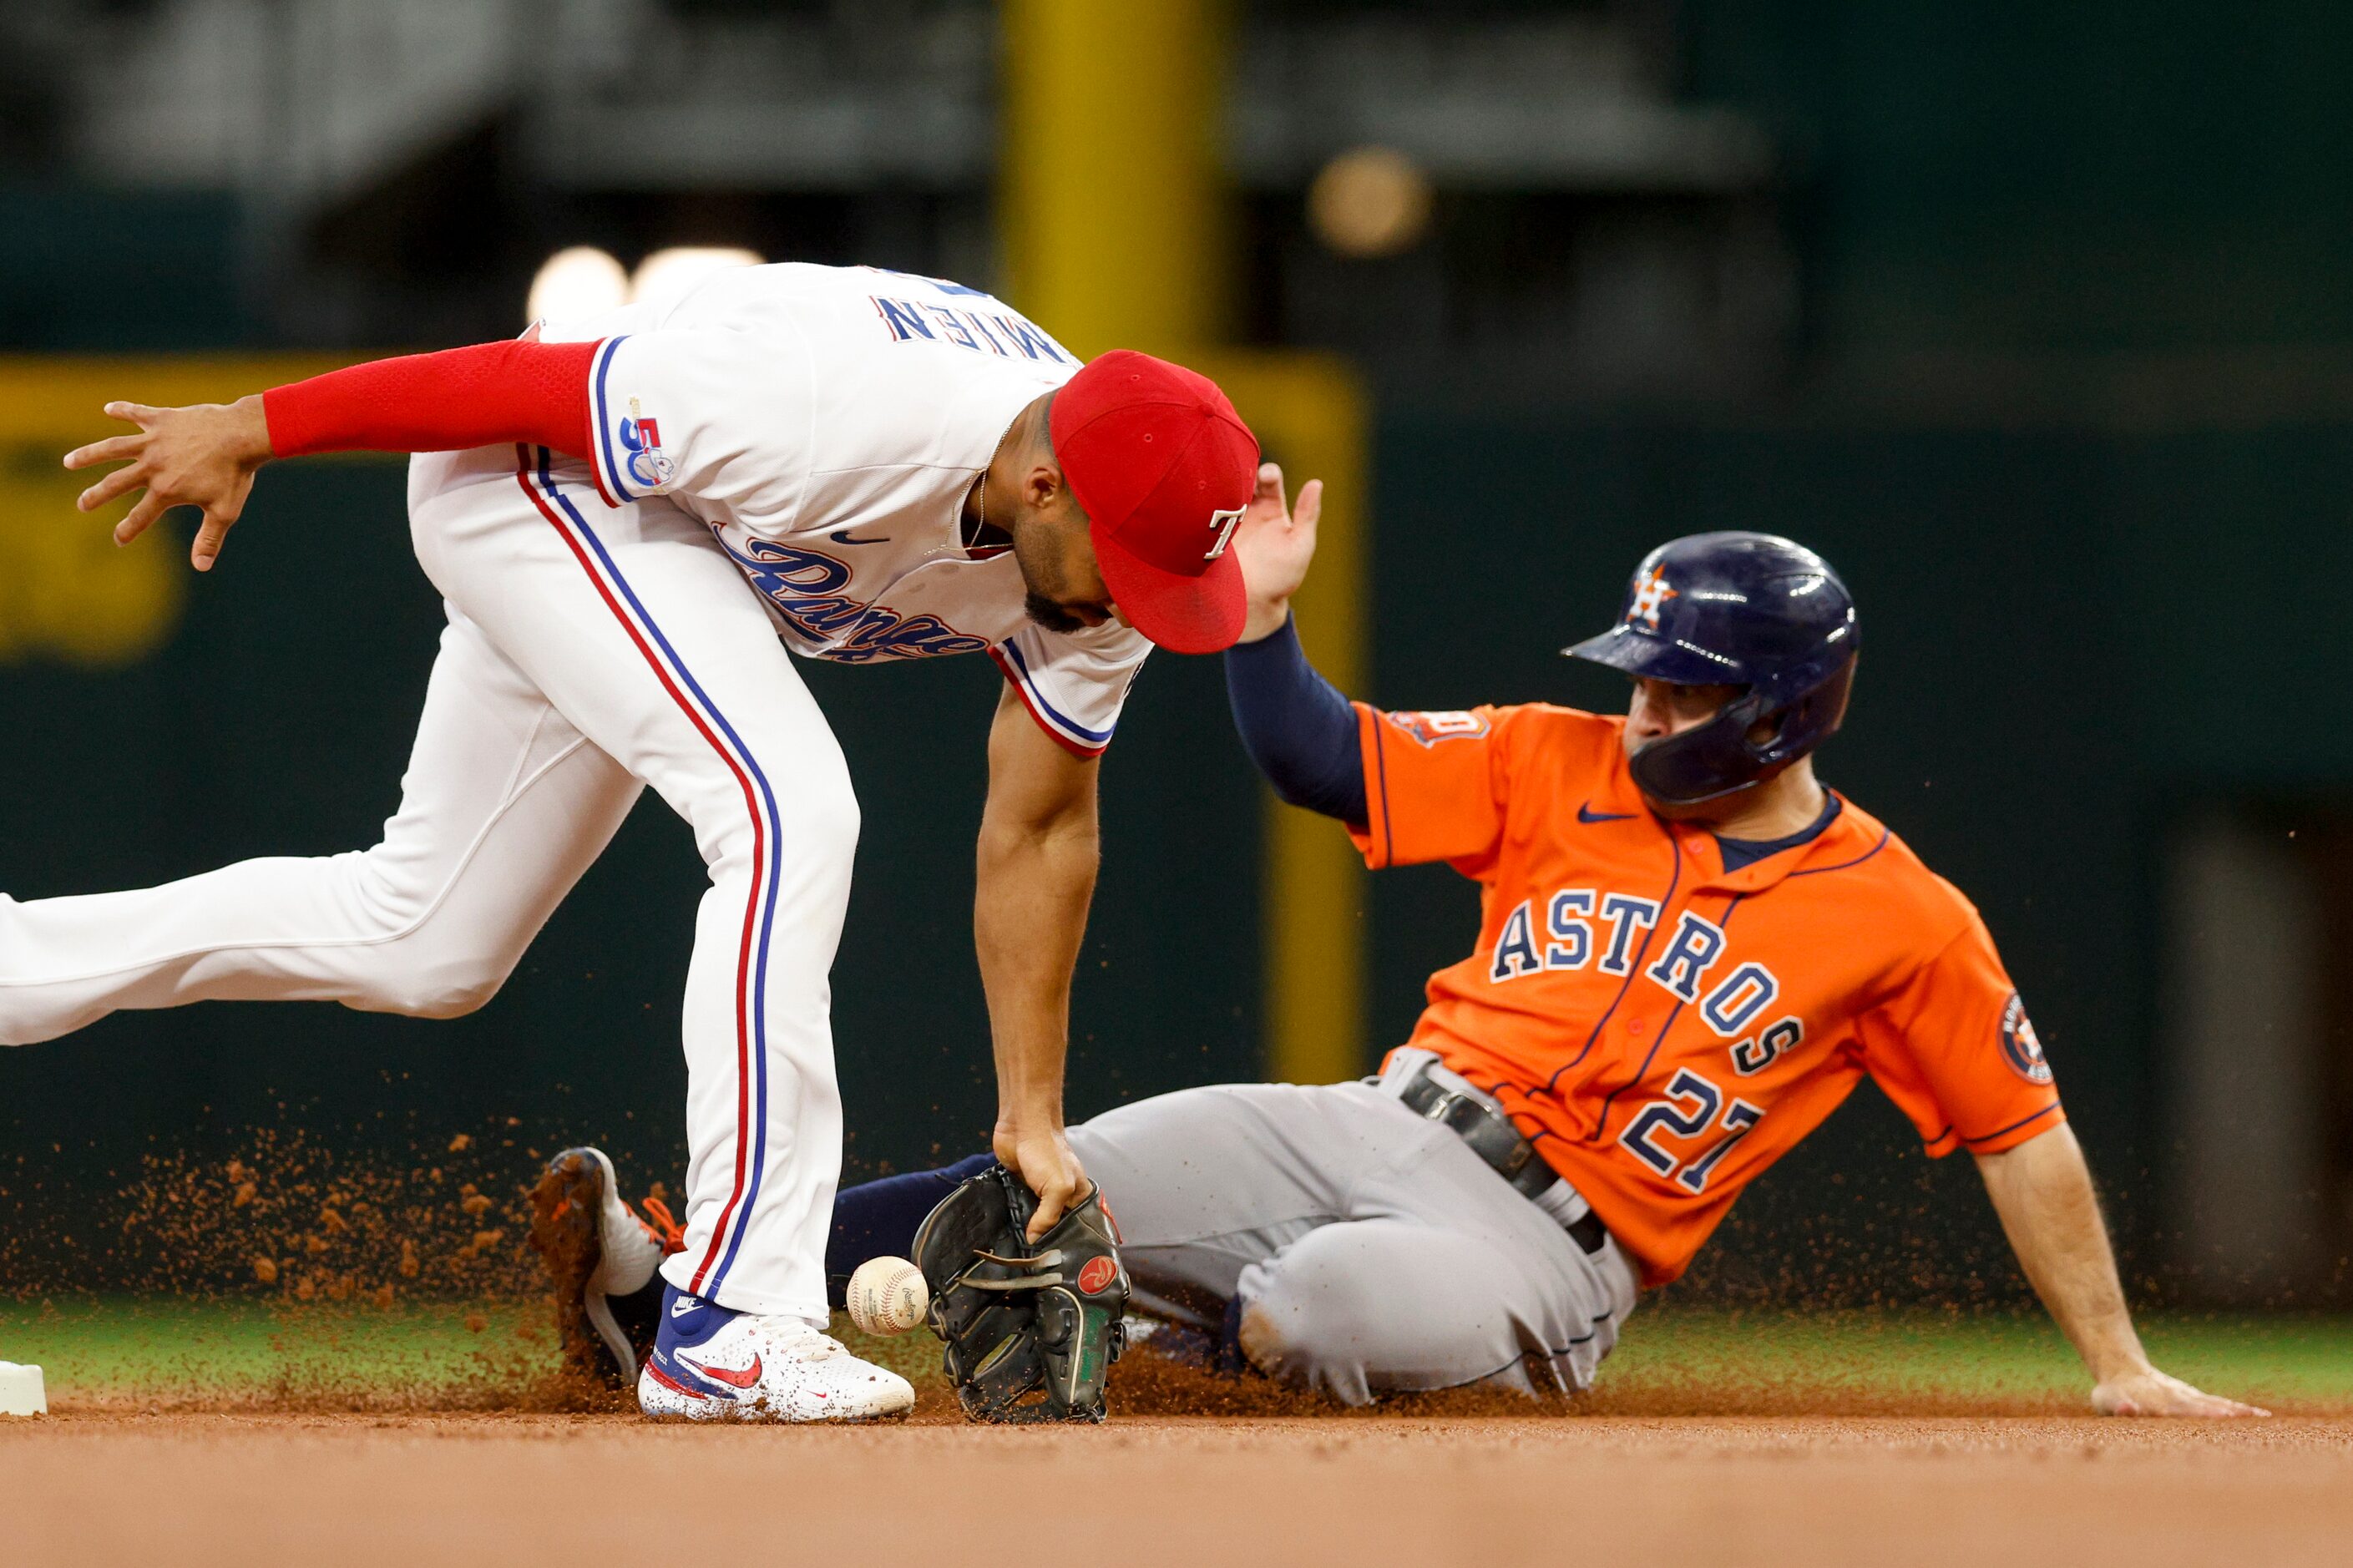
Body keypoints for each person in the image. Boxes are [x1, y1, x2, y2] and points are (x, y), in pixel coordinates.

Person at [536, 466, 2261, 1418]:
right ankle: (673, 1287)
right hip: (1368, 1117)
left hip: (1551, 1252)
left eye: (1680, 683)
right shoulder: (1555, 757)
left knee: (1316, 1315)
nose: (1642, 698)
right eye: (1642, 668)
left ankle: (1135, 1334)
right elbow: (1309, 755)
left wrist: (2114, 1365)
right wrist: (1263, 624)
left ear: (1781, 712)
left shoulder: (1899, 917)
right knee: (1054, 1173)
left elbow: (2018, 1140)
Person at [10, 262, 1264, 1423]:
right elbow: (517, 383)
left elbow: (1041, 827)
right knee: (787, 806)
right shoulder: (837, 405)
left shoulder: (1112, 531)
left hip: (667, 531)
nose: (1133, 601)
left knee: (424, 940)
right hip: (535, 468)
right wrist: (255, 423)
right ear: (1045, 486)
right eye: (1131, 567)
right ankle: (730, 1316)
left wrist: (1030, 1115)